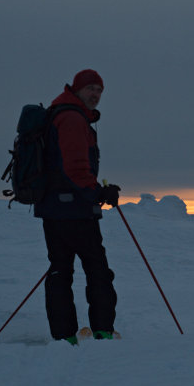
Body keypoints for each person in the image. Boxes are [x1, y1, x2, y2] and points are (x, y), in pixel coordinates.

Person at [34, 69, 122, 345]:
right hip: (75, 211)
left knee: (60, 271)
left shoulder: (61, 113)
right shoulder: (72, 118)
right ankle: (103, 331)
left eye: (99, 90)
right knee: (97, 271)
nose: (95, 94)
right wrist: (99, 192)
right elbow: (75, 168)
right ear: (77, 89)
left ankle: (65, 337)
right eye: (91, 89)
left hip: (53, 209)